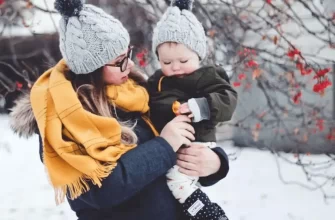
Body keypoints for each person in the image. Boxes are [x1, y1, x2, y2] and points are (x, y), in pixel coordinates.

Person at [9, 0, 230, 219]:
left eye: (128, 54)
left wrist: (215, 163)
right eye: (120, 61)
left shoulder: (138, 93)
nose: (131, 65)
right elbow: (101, 190)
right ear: (92, 69)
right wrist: (164, 146)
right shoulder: (63, 119)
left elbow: (183, 149)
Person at [148, 0, 238, 219]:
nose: (175, 67)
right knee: (174, 183)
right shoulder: (157, 81)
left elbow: (228, 99)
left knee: (178, 180)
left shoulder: (207, 76)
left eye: (183, 60)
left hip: (197, 142)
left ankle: (207, 213)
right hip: (170, 145)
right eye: (166, 62)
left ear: (198, 55)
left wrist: (202, 106)